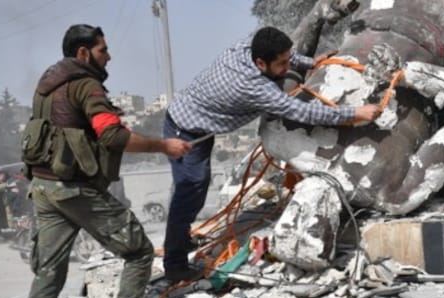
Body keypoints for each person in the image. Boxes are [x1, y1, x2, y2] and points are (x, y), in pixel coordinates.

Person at [18, 24, 191, 298]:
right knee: (139, 251)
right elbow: (111, 135)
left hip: (45, 190)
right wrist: (165, 145)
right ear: (83, 54)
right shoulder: (85, 84)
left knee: (48, 275)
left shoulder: (46, 85)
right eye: (102, 50)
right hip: (74, 190)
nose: (108, 56)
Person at [162, 26, 382, 283]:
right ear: (260, 63)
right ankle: (175, 264)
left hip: (198, 122)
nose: (287, 66)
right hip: (185, 131)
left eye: (288, 60)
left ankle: (180, 238)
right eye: (282, 64)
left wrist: (310, 61)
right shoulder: (253, 87)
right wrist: (353, 114)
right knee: (190, 191)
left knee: (197, 188)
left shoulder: (248, 45)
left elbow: (286, 56)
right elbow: (301, 112)